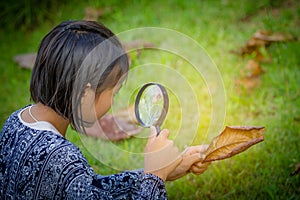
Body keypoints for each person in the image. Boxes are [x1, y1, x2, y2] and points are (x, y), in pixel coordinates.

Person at [0, 20, 210, 199]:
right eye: (114, 92)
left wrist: (157, 171)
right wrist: (155, 177)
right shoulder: (61, 157)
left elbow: (89, 191)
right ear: (85, 92)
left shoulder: (16, 122)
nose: (113, 103)